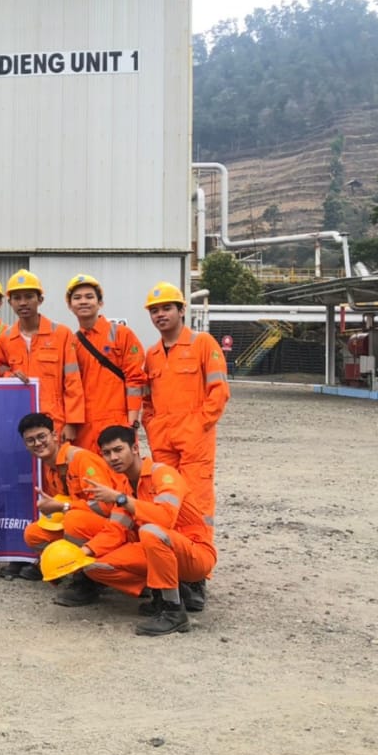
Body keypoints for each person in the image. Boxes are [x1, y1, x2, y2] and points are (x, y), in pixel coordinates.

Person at [56, 424, 217, 636]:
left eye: (118, 450)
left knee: (151, 531)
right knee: (95, 568)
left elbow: (165, 519)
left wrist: (121, 500)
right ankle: (165, 591)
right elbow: (115, 531)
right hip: (157, 551)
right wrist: (81, 554)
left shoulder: (163, 475)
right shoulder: (124, 486)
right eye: (106, 453)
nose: (113, 457)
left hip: (195, 554)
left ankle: (174, 613)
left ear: (134, 448)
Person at [140, 282, 229, 524]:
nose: (160, 315)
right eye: (154, 311)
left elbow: (219, 391)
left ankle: (199, 554)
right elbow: (147, 399)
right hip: (162, 440)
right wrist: (151, 425)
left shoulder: (203, 343)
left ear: (181, 310)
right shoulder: (152, 354)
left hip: (194, 440)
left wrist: (200, 426)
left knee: (196, 498)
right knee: (166, 495)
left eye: (166, 308)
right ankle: (175, 549)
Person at [13, 412, 126, 584]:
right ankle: (68, 568)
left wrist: (63, 507)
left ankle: (87, 580)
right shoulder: (50, 467)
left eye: (41, 436)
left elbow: (105, 507)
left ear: (55, 435)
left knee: (74, 521)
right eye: (30, 440)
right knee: (33, 533)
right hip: (87, 524)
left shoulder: (80, 459)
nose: (37, 443)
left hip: (118, 527)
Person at [0, 271, 85, 443]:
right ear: (10, 303)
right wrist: (11, 375)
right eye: (17, 298)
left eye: (29, 296)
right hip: (19, 419)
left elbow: (72, 381)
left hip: (55, 421)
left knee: (55, 468)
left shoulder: (61, 334)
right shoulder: (6, 338)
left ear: (40, 300)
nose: (23, 302)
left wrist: (72, 422)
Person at [64, 273, 147, 450]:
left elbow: (135, 379)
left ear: (100, 303)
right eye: (77, 298)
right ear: (70, 306)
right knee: (88, 474)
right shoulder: (71, 343)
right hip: (84, 425)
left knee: (119, 475)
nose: (83, 301)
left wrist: (132, 420)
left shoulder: (121, 334)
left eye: (89, 297)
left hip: (117, 420)